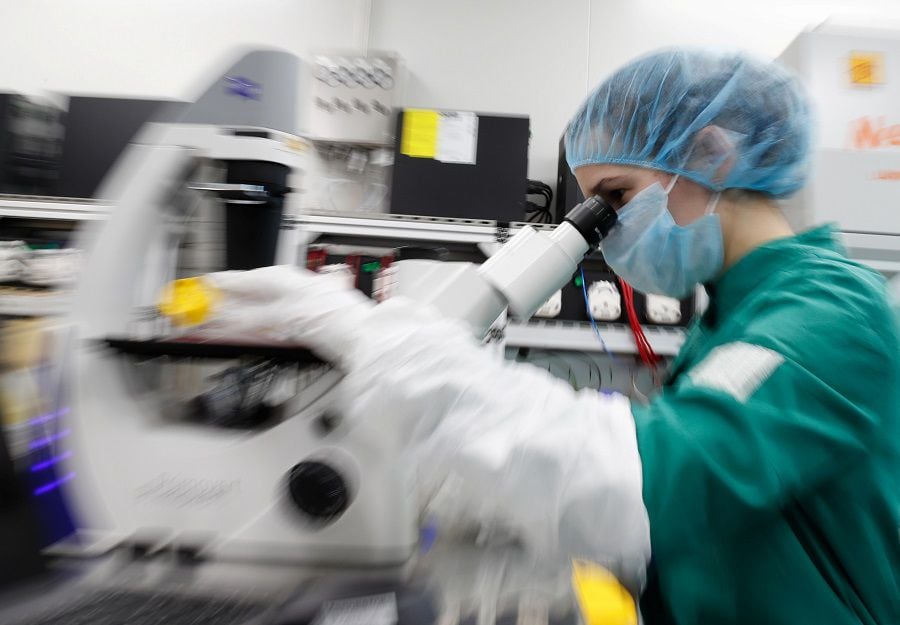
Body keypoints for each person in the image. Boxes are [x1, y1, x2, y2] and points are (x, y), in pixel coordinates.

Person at [197, 49, 900, 624]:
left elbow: (642, 488)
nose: (609, 229)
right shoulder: (735, 315)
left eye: (616, 198)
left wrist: (376, 341)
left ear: (712, 154)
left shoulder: (831, 311)